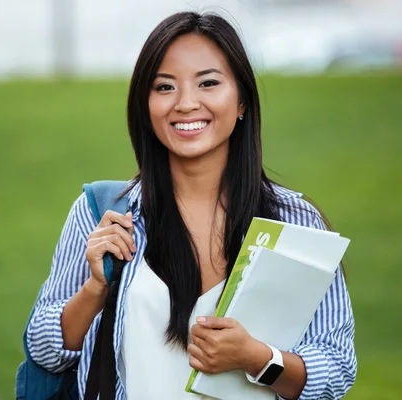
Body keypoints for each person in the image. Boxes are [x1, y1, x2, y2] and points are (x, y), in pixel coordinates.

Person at [26, 11, 356, 400]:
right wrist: (95, 289)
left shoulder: (297, 223)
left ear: (242, 102)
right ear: (145, 107)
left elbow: (335, 369)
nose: (185, 103)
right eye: (164, 87)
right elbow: (45, 351)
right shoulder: (102, 213)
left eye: (209, 83)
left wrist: (256, 358)